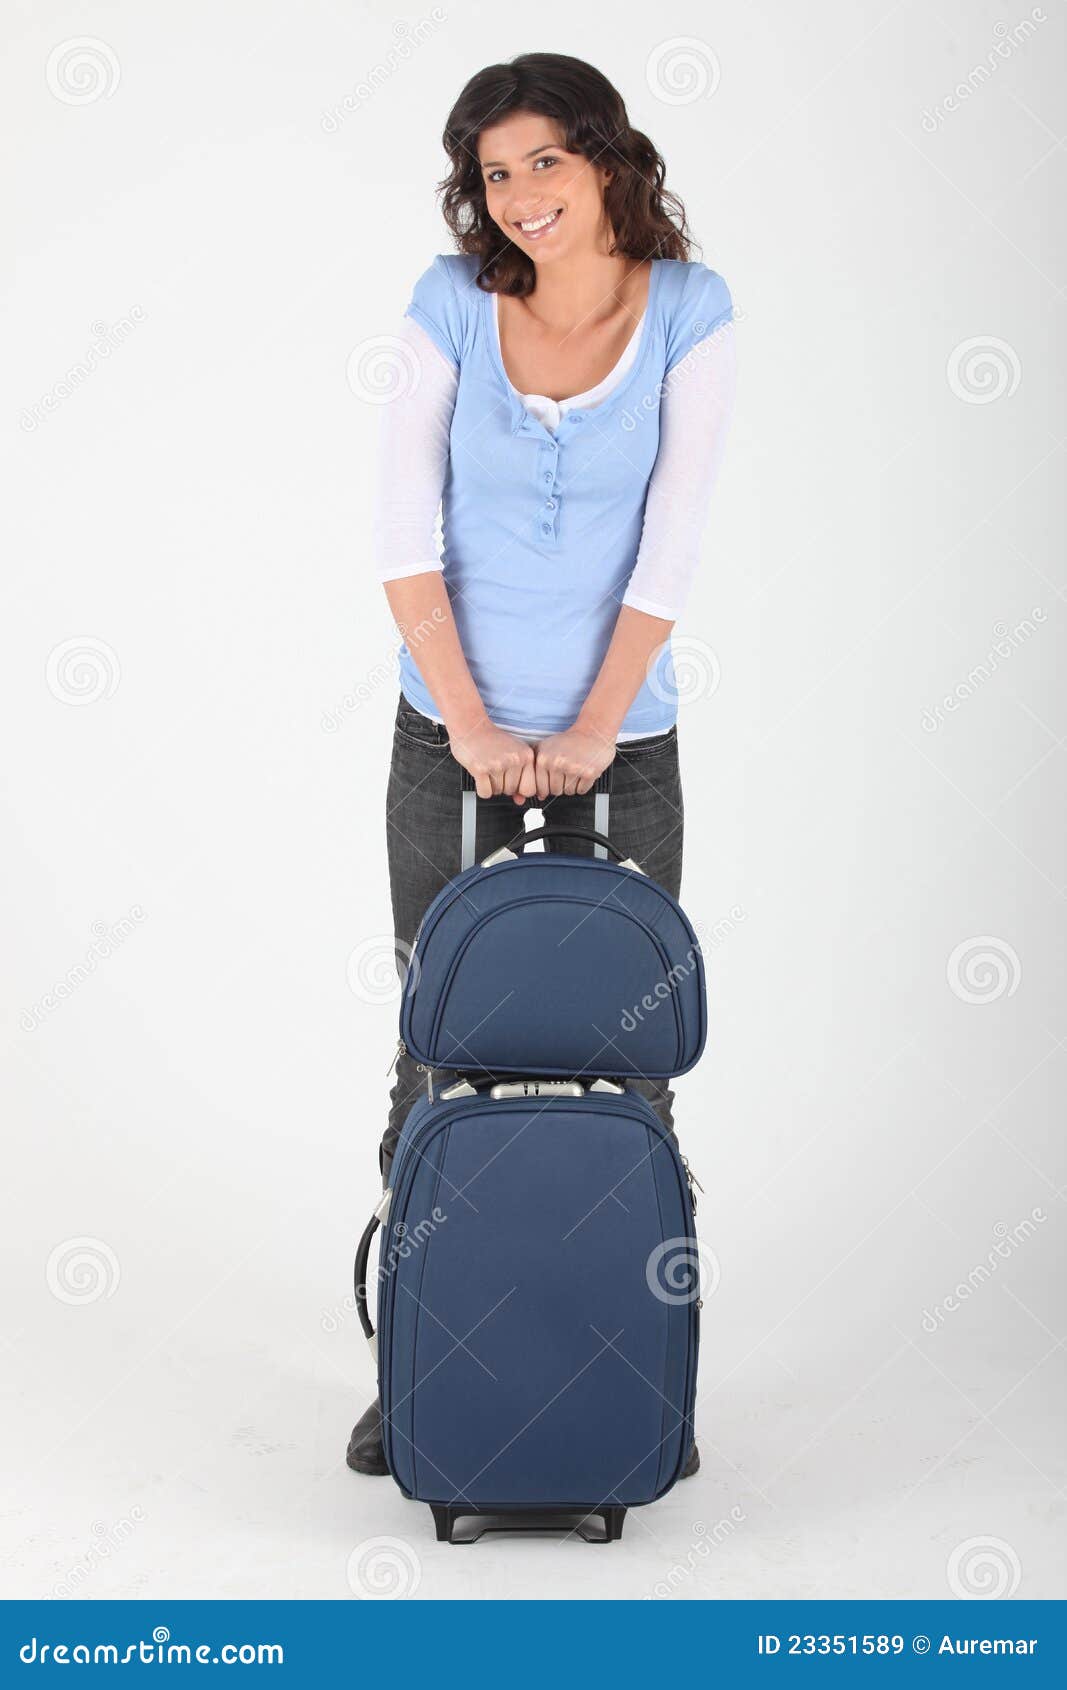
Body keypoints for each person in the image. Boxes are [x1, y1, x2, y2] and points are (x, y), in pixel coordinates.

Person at [347, 52, 736, 1477]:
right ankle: (418, 1377)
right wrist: (468, 723)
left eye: (544, 163)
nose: (519, 196)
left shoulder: (691, 309)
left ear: (606, 156)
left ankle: (632, 1383)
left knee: (625, 1064)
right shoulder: (450, 300)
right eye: (495, 174)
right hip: (444, 727)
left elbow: (671, 546)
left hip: (622, 741)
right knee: (437, 1050)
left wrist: (589, 730)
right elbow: (403, 531)